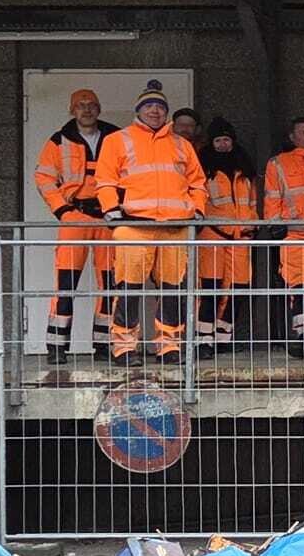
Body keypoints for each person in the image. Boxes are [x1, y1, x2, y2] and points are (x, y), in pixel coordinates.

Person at [95, 80, 207, 365]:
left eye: (159, 107)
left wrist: (198, 212)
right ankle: (124, 348)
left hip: (175, 227)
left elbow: (198, 183)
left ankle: (169, 347)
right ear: (139, 110)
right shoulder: (117, 140)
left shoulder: (181, 144)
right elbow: (105, 181)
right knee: (129, 290)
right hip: (134, 226)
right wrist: (112, 212)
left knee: (173, 291)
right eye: (149, 106)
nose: (155, 111)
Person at [33, 86, 119, 364]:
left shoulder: (116, 138)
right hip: (75, 218)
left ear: (99, 108)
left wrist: (122, 208)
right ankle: (56, 346)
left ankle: (105, 344)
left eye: (92, 104)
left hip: (109, 219)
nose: (87, 109)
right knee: (66, 283)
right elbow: (44, 178)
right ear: (72, 110)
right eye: (81, 104)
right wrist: (63, 210)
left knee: (111, 284)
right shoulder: (59, 141)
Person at [263, 116, 304, 359]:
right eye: (302, 132)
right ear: (291, 137)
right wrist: (275, 224)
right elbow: (272, 197)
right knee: (301, 287)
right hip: (296, 235)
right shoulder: (278, 163)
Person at [194, 118, 257, 356]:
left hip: (241, 237)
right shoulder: (203, 170)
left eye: (226, 140)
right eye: (218, 140)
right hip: (212, 237)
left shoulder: (245, 170)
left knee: (238, 288)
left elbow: (251, 203)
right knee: (210, 289)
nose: (222, 145)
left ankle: (223, 337)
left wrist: (252, 226)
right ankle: (203, 339)